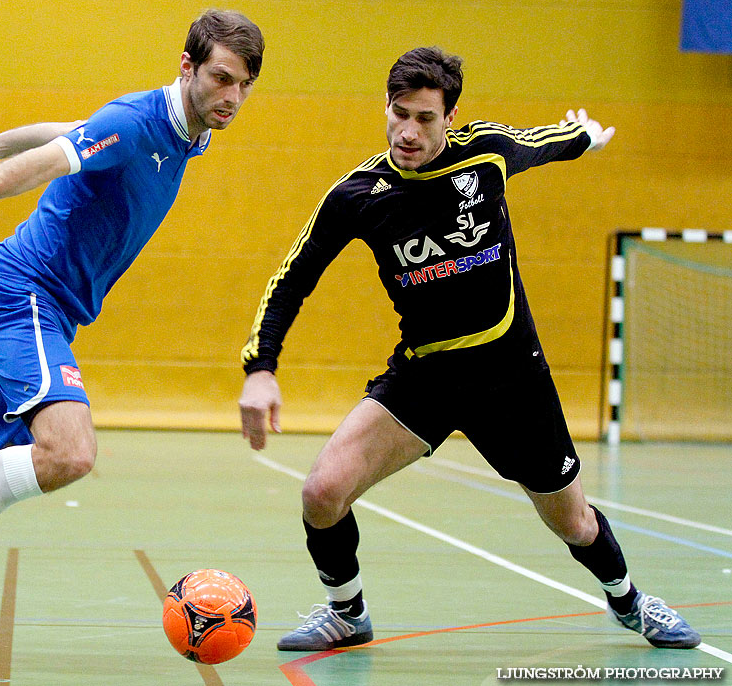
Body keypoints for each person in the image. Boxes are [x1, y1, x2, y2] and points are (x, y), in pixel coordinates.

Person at [238, 46, 701, 652]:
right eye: (398, 113)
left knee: (573, 520)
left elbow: (548, 141)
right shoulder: (357, 196)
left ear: (450, 116)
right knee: (322, 493)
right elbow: (291, 279)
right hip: (425, 377)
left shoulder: (485, 156)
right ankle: (347, 612)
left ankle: (631, 601)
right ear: (386, 107)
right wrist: (260, 368)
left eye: (425, 118)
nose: (408, 131)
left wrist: (585, 134)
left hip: (512, 376)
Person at [0, 9, 264, 650]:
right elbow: (57, 157)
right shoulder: (137, 122)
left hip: (49, 306)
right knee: (69, 454)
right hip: (26, 294)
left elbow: (72, 130)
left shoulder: (193, 130)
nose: (232, 98)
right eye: (220, 79)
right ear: (187, 67)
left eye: (243, 85)